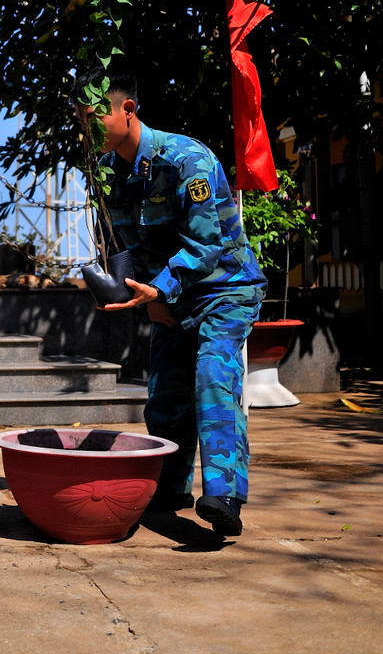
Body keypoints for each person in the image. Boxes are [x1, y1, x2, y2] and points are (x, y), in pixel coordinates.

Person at [72, 65, 266, 536]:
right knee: (163, 398)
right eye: (80, 119)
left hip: (225, 287)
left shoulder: (186, 161)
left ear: (128, 110)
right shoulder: (109, 171)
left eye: (93, 116)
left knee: (211, 375)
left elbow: (207, 245)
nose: (86, 128)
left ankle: (224, 494)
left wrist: (160, 290)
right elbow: (135, 244)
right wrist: (131, 288)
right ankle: (170, 488)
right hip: (170, 293)